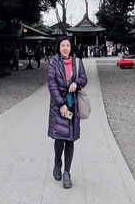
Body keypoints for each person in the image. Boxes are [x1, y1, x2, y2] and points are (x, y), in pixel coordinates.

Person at [47, 35, 88, 190]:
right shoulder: (53, 63)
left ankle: (67, 173)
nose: (65, 48)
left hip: (73, 105)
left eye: (68, 45)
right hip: (58, 106)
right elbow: (52, 85)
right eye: (62, 45)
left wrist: (77, 83)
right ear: (59, 47)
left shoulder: (78, 62)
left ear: (71, 47)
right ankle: (57, 164)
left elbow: (84, 79)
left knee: (70, 139)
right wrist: (61, 104)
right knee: (59, 138)